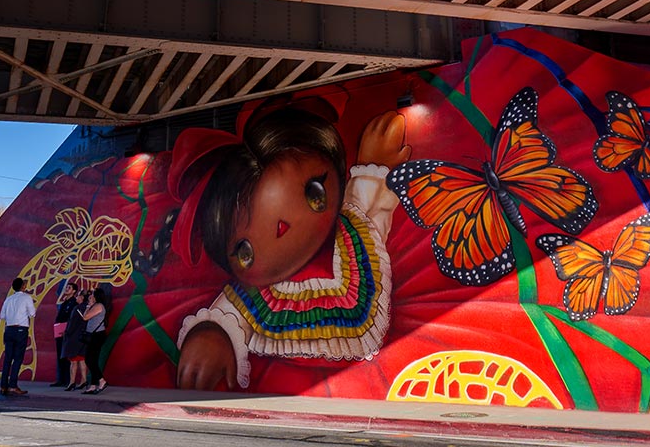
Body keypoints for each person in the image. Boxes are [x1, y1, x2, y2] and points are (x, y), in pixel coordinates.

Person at [169, 102, 409, 390]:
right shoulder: (253, 301)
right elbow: (225, 318)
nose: (286, 235)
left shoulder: (355, 239)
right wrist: (210, 336)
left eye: (314, 193)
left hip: (369, 387)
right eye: (246, 252)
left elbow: (369, 201)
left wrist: (375, 168)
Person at [0, 277, 36, 396]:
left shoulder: (8, 299)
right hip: (20, 329)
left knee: (8, 358)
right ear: (23, 287)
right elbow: (32, 313)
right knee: (18, 358)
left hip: (9, 329)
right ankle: (13, 385)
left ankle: (3, 385)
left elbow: (2, 316)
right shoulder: (26, 298)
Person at [79, 284, 111, 394]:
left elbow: (85, 317)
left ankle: (101, 380)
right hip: (93, 335)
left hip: (97, 335)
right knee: (92, 359)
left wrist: (89, 305)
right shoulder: (95, 305)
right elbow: (86, 316)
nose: (90, 296)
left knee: (89, 359)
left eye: (92, 294)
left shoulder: (99, 306)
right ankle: (92, 385)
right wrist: (89, 305)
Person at [50, 278, 79, 387]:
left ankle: (68, 380)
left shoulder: (73, 303)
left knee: (67, 355)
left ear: (74, 291)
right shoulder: (64, 302)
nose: (66, 289)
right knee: (60, 355)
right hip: (59, 331)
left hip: (66, 332)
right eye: (66, 287)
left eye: (69, 288)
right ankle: (60, 379)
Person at [61, 287, 92, 390]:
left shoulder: (77, 308)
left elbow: (72, 325)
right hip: (84, 337)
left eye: (78, 296)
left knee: (73, 361)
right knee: (82, 360)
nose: (76, 298)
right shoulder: (90, 308)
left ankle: (72, 382)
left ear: (82, 297)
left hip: (74, 338)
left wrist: (67, 333)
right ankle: (83, 380)